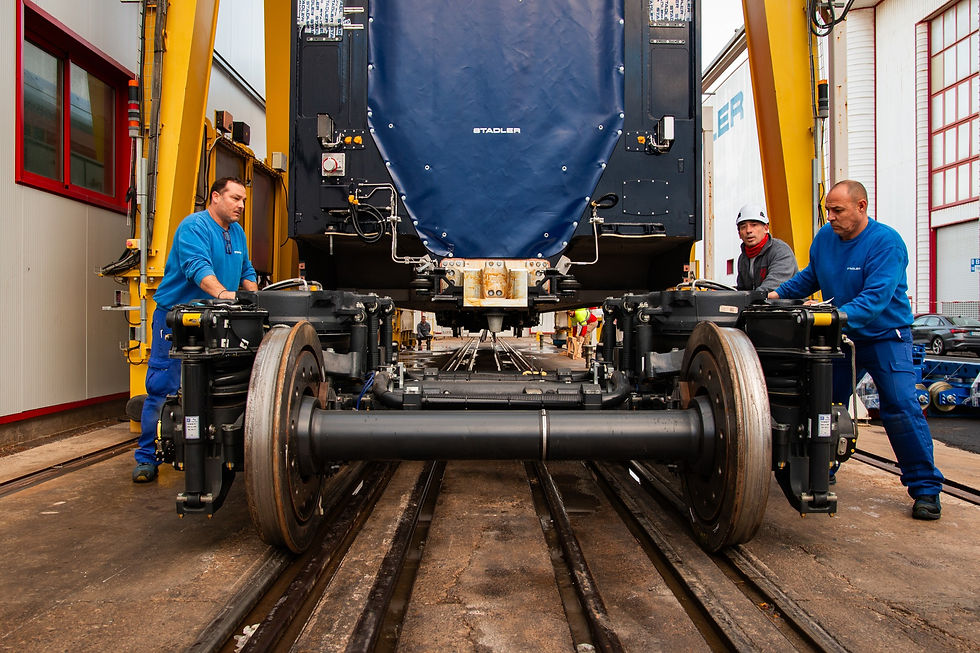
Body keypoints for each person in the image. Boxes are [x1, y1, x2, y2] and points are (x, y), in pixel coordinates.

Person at [768, 180, 944, 520]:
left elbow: (874, 301)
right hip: (841, 339)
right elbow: (809, 279)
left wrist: (828, 316)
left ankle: (925, 490)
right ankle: (820, 470)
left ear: (861, 207)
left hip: (884, 338)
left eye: (838, 211)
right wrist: (771, 298)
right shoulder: (825, 240)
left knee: (900, 406)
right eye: (828, 210)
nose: (830, 217)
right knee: (818, 404)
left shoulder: (885, 243)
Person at [134, 177, 258, 483]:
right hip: (179, 320)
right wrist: (225, 295)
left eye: (243, 200)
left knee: (217, 386)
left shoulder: (237, 233)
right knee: (163, 387)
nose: (241, 205)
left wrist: (255, 298)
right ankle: (146, 457)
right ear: (215, 197)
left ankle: (205, 450)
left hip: (216, 319)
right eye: (234, 198)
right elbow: (198, 268)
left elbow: (246, 271)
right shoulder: (194, 227)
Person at [735, 203, 798, 291]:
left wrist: (749, 298)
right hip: (758, 303)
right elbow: (742, 290)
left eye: (754, 225)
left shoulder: (780, 252)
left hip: (783, 304)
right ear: (739, 234)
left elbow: (772, 286)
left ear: (766, 228)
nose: (748, 231)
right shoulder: (743, 258)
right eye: (743, 227)